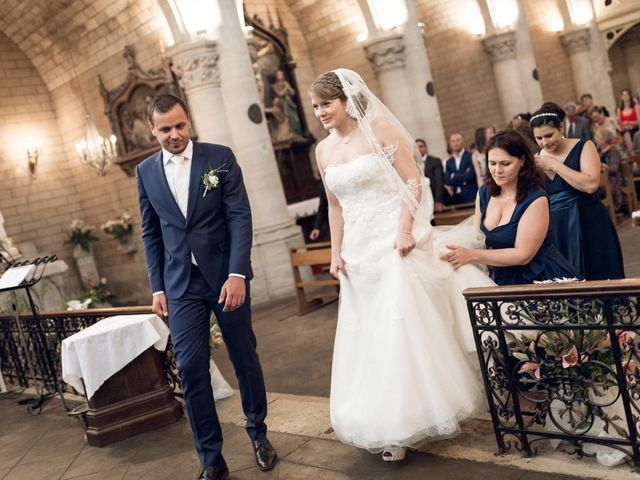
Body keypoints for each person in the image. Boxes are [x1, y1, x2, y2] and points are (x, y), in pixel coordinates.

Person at [310, 69, 494, 462]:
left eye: (326, 104)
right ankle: (378, 419)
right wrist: (335, 252)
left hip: (392, 240)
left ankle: (406, 421)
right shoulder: (323, 151)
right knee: (368, 332)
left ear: (345, 100)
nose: (320, 112)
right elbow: (335, 206)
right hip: (358, 252)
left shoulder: (379, 131)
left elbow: (413, 181)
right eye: (315, 107)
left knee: (398, 326)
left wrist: (406, 228)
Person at [136, 94, 277, 480]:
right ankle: (211, 458)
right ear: (153, 130)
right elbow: (151, 233)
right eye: (165, 128)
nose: (175, 134)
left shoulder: (219, 157)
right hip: (181, 285)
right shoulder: (145, 172)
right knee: (191, 367)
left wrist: (237, 274)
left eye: (180, 125)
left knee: (243, 357)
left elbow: (239, 216)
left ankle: (258, 433)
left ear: (188, 121)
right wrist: (157, 287)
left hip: (224, 278)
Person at [440, 130, 580, 285]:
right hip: (502, 277)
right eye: (492, 163)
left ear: (522, 161)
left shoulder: (535, 198)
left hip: (540, 278)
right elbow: (477, 238)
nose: (497, 171)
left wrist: (472, 255)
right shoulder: (484, 193)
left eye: (505, 164)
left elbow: (523, 254)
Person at [531, 102, 624, 280]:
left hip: (588, 220)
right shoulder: (536, 160)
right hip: (557, 230)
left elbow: (590, 185)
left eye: (549, 135)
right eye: (539, 138)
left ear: (561, 127)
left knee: (600, 274)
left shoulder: (584, 146)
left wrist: (555, 165)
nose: (544, 143)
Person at [595, 128, 625, 211]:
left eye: (599, 138)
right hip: (604, 180)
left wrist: (603, 166)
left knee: (595, 190)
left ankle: (609, 210)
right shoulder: (600, 152)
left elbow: (614, 169)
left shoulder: (613, 150)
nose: (596, 140)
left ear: (605, 139)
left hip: (613, 180)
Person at [444, 133, 477, 205]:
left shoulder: (471, 156)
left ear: (462, 142)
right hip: (456, 198)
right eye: (453, 141)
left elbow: (470, 175)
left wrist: (453, 176)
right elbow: (447, 180)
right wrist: (463, 182)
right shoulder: (449, 162)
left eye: (458, 140)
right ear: (450, 144)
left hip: (471, 195)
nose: (455, 143)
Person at [415, 138, 445, 213]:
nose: (419, 149)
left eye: (421, 146)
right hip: (420, 200)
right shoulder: (413, 163)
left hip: (433, 196)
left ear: (426, 148)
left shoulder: (435, 161)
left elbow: (439, 181)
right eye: (416, 147)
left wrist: (438, 201)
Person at [616, 88, 639, 154]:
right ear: (621, 97)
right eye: (623, 95)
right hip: (625, 132)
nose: (625, 96)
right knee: (624, 134)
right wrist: (624, 126)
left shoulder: (636, 107)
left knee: (636, 135)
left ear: (630, 96)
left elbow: (638, 121)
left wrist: (629, 122)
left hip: (635, 130)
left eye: (627, 94)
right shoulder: (619, 109)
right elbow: (619, 124)